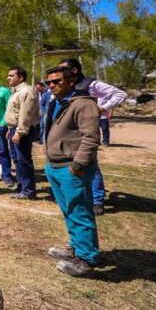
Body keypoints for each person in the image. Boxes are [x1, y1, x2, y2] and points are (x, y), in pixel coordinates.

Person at [43, 66, 101, 276]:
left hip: (71, 168)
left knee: (80, 211)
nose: (51, 85)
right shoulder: (58, 102)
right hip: (55, 166)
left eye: (56, 81)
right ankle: (76, 248)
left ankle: (86, 259)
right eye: (48, 82)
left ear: (71, 81)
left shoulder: (84, 104)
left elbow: (91, 138)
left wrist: (78, 166)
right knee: (69, 210)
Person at [58, 58, 127, 216]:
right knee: (70, 163)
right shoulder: (65, 85)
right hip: (68, 132)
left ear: (74, 70)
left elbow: (120, 94)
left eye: (62, 69)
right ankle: (79, 196)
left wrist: (101, 108)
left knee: (91, 165)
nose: (59, 72)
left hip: (86, 131)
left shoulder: (90, 84)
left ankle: (97, 200)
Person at [5, 67, 40, 199]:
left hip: (22, 130)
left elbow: (26, 114)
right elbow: (15, 112)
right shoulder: (16, 91)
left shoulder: (26, 91)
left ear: (20, 77)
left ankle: (28, 190)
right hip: (15, 129)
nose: (8, 78)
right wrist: (10, 129)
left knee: (23, 160)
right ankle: (22, 186)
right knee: (17, 160)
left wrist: (20, 132)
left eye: (11, 75)